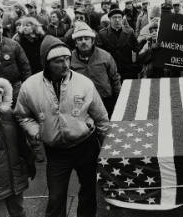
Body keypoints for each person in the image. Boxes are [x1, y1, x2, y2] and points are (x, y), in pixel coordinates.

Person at [14, 35, 109, 217]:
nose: (66, 64)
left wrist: (106, 150)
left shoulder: (84, 83)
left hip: (86, 146)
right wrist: (37, 131)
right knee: (56, 197)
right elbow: (22, 115)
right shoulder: (30, 86)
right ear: (46, 62)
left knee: (89, 191)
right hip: (56, 151)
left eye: (67, 58)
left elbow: (102, 119)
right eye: (59, 61)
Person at [0, 75, 35, 217]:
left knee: (19, 212)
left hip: (14, 178)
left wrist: (28, 163)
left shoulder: (9, 115)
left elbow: (21, 145)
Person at [71, 21, 121, 118]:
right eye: (80, 39)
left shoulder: (105, 56)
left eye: (86, 38)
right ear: (76, 43)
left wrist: (119, 98)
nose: (83, 41)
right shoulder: (69, 59)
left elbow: (115, 78)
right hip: (83, 103)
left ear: (93, 41)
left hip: (105, 100)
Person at [0, 13, 31, 105]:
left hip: (14, 88)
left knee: (17, 114)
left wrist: (27, 85)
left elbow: (25, 66)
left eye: (0, 27)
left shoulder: (13, 44)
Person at [98, 7, 140, 81]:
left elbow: (136, 49)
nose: (117, 20)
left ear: (122, 19)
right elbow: (99, 54)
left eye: (119, 17)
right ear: (110, 19)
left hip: (128, 70)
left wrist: (134, 65)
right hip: (111, 71)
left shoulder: (129, 32)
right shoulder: (103, 34)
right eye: (114, 18)